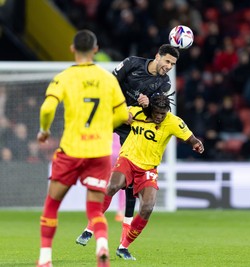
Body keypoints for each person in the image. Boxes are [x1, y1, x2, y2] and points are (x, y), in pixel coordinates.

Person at [36, 29, 129, 267]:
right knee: (95, 210)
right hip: (98, 152)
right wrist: (101, 125)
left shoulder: (65, 77)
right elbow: (121, 114)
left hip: (71, 150)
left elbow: (47, 108)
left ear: (72, 49)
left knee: (52, 205)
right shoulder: (108, 78)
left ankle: (45, 259)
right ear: (96, 50)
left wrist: (44, 131)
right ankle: (102, 247)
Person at [76, 43, 180, 246]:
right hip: (112, 114)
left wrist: (147, 104)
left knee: (131, 174)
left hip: (131, 125)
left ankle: (126, 224)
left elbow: (157, 110)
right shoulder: (132, 64)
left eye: (173, 64)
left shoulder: (164, 83)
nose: (168, 66)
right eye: (167, 61)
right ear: (157, 56)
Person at [80, 92, 204, 260]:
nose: (160, 116)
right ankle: (90, 227)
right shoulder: (137, 112)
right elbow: (117, 113)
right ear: (150, 109)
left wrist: (196, 144)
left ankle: (123, 247)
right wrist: (122, 116)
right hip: (128, 159)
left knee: (148, 207)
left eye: (163, 113)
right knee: (113, 186)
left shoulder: (174, 122)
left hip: (148, 169)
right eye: (157, 113)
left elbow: (190, 138)